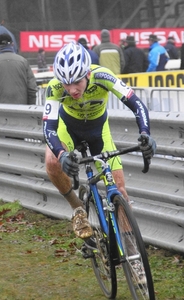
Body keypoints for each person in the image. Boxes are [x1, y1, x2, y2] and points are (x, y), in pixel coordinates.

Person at [42, 41, 156, 241]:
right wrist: (61, 155)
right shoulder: (54, 87)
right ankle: (77, 209)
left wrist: (145, 133)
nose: (72, 89)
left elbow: (137, 104)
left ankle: (132, 254)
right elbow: (48, 128)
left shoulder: (103, 76)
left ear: (87, 73)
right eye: (66, 83)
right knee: (51, 162)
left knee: (119, 190)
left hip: (98, 130)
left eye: (76, 81)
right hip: (68, 128)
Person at [0, 33, 37, 104]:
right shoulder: (23, 61)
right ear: (12, 44)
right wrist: (30, 107)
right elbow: (32, 88)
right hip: (21, 110)